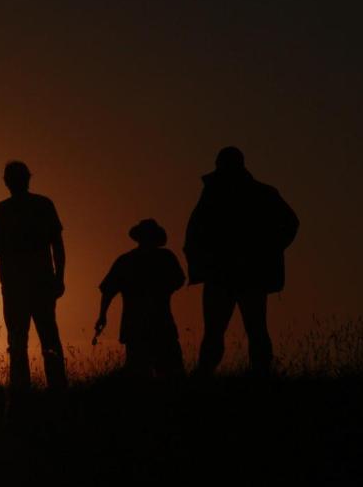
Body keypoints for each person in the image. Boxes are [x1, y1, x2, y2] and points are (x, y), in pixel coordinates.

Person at [183, 147, 299, 376]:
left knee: (227, 331)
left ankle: (209, 376)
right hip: (240, 274)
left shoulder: (215, 194)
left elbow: (194, 232)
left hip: (230, 274)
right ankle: (239, 375)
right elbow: (195, 233)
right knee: (247, 330)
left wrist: (269, 249)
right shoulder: (257, 193)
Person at [0, 161, 67, 394]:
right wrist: (59, 277)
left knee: (20, 340)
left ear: (7, 181)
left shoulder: (3, 210)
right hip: (35, 283)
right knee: (45, 337)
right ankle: (54, 389)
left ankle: (23, 391)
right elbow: (57, 245)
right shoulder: (41, 205)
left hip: (22, 285)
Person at [94, 219, 186, 378]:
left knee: (141, 374)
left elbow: (108, 290)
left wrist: (102, 315)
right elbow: (179, 280)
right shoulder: (166, 258)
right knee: (170, 372)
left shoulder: (126, 260)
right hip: (160, 322)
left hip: (136, 324)